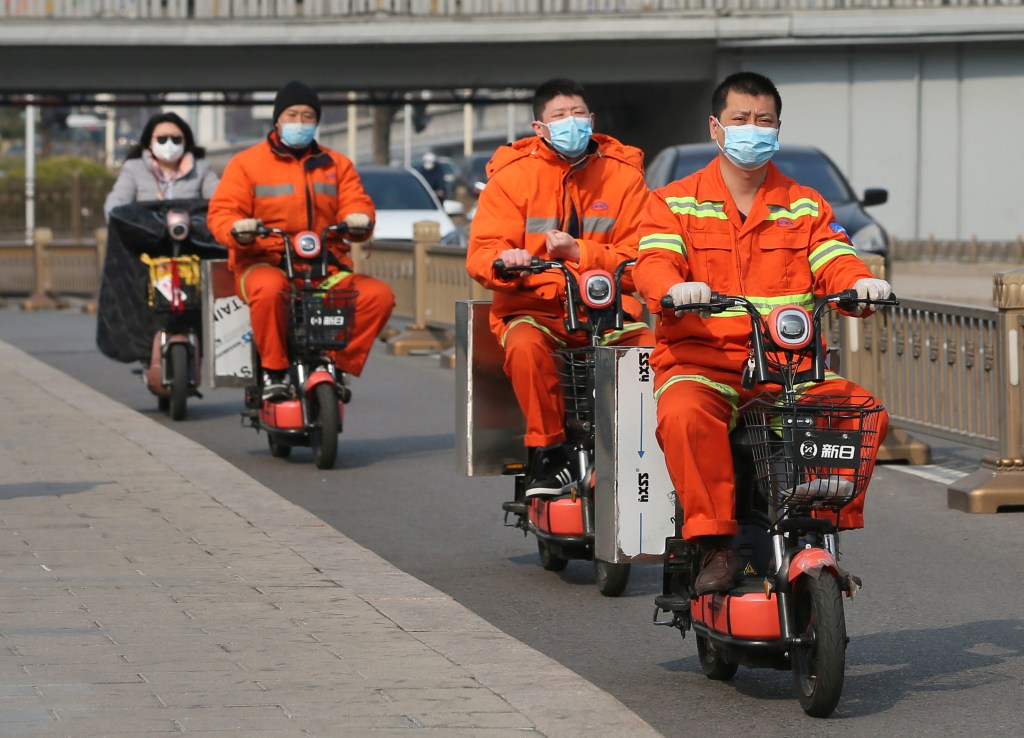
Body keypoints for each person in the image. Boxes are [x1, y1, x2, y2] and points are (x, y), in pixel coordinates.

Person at [632, 71, 892, 596]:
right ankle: (717, 545)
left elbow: (834, 258)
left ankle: (818, 531)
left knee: (864, 413)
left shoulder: (804, 204)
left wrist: (861, 284)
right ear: (716, 127)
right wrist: (672, 290)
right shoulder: (674, 202)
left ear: (777, 128)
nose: (753, 130)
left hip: (788, 369)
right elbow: (654, 261)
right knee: (683, 414)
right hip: (702, 365)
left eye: (764, 121)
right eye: (740, 120)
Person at [466, 78, 654, 497]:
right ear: (539, 128)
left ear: (592, 119)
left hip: (609, 316)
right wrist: (505, 260)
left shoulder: (624, 175)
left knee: (651, 357)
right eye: (559, 116)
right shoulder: (512, 177)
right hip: (535, 309)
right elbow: (482, 251)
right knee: (526, 346)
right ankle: (549, 453)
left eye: (578, 114)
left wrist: (581, 252)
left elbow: (644, 255)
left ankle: (645, 457)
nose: (572, 122)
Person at [207, 80, 395, 402]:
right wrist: (239, 228)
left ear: (317, 121)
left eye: (307, 116)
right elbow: (222, 212)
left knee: (378, 296)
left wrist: (359, 221)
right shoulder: (246, 164)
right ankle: (274, 372)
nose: (299, 122)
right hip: (264, 263)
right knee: (269, 290)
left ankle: (335, 366)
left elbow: (356, 203)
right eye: (292, 114)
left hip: (325, 270)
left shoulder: (337, 165)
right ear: (277, 120)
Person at [104, 112, 219, 220]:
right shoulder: (133, 168)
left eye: (176, 139)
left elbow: (220, 201)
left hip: (191, 236)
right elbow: (115, 205)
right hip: (147, 237)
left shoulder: (201, 168)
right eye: (162, 139)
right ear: (149, 142)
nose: (169, 144)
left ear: (186, 141)